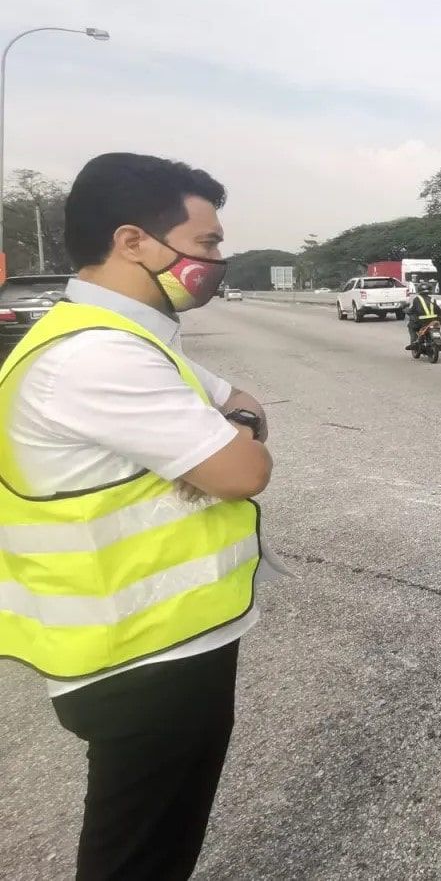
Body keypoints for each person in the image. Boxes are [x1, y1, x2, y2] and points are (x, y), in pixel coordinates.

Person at [0, 152, 273, 881]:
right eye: (207, 243)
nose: (215, 259)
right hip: (142, 657)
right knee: (138, 855)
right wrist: (230, 443)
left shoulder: (131, 339)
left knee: (156, 841)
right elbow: (245, 469)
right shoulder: (95, 356)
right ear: (132, 241)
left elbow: (241, 401)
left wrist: (229, 433)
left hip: (161, 639)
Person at [405, 277, 441, 352]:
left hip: (422, 322)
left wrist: (407, 311)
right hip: (434, 321)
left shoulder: (417, 299)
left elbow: (413, 310)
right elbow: (439, 310)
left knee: (411, 326)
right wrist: (440, 319)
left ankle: (414, 343)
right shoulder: (433, 299)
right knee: (437, 327)